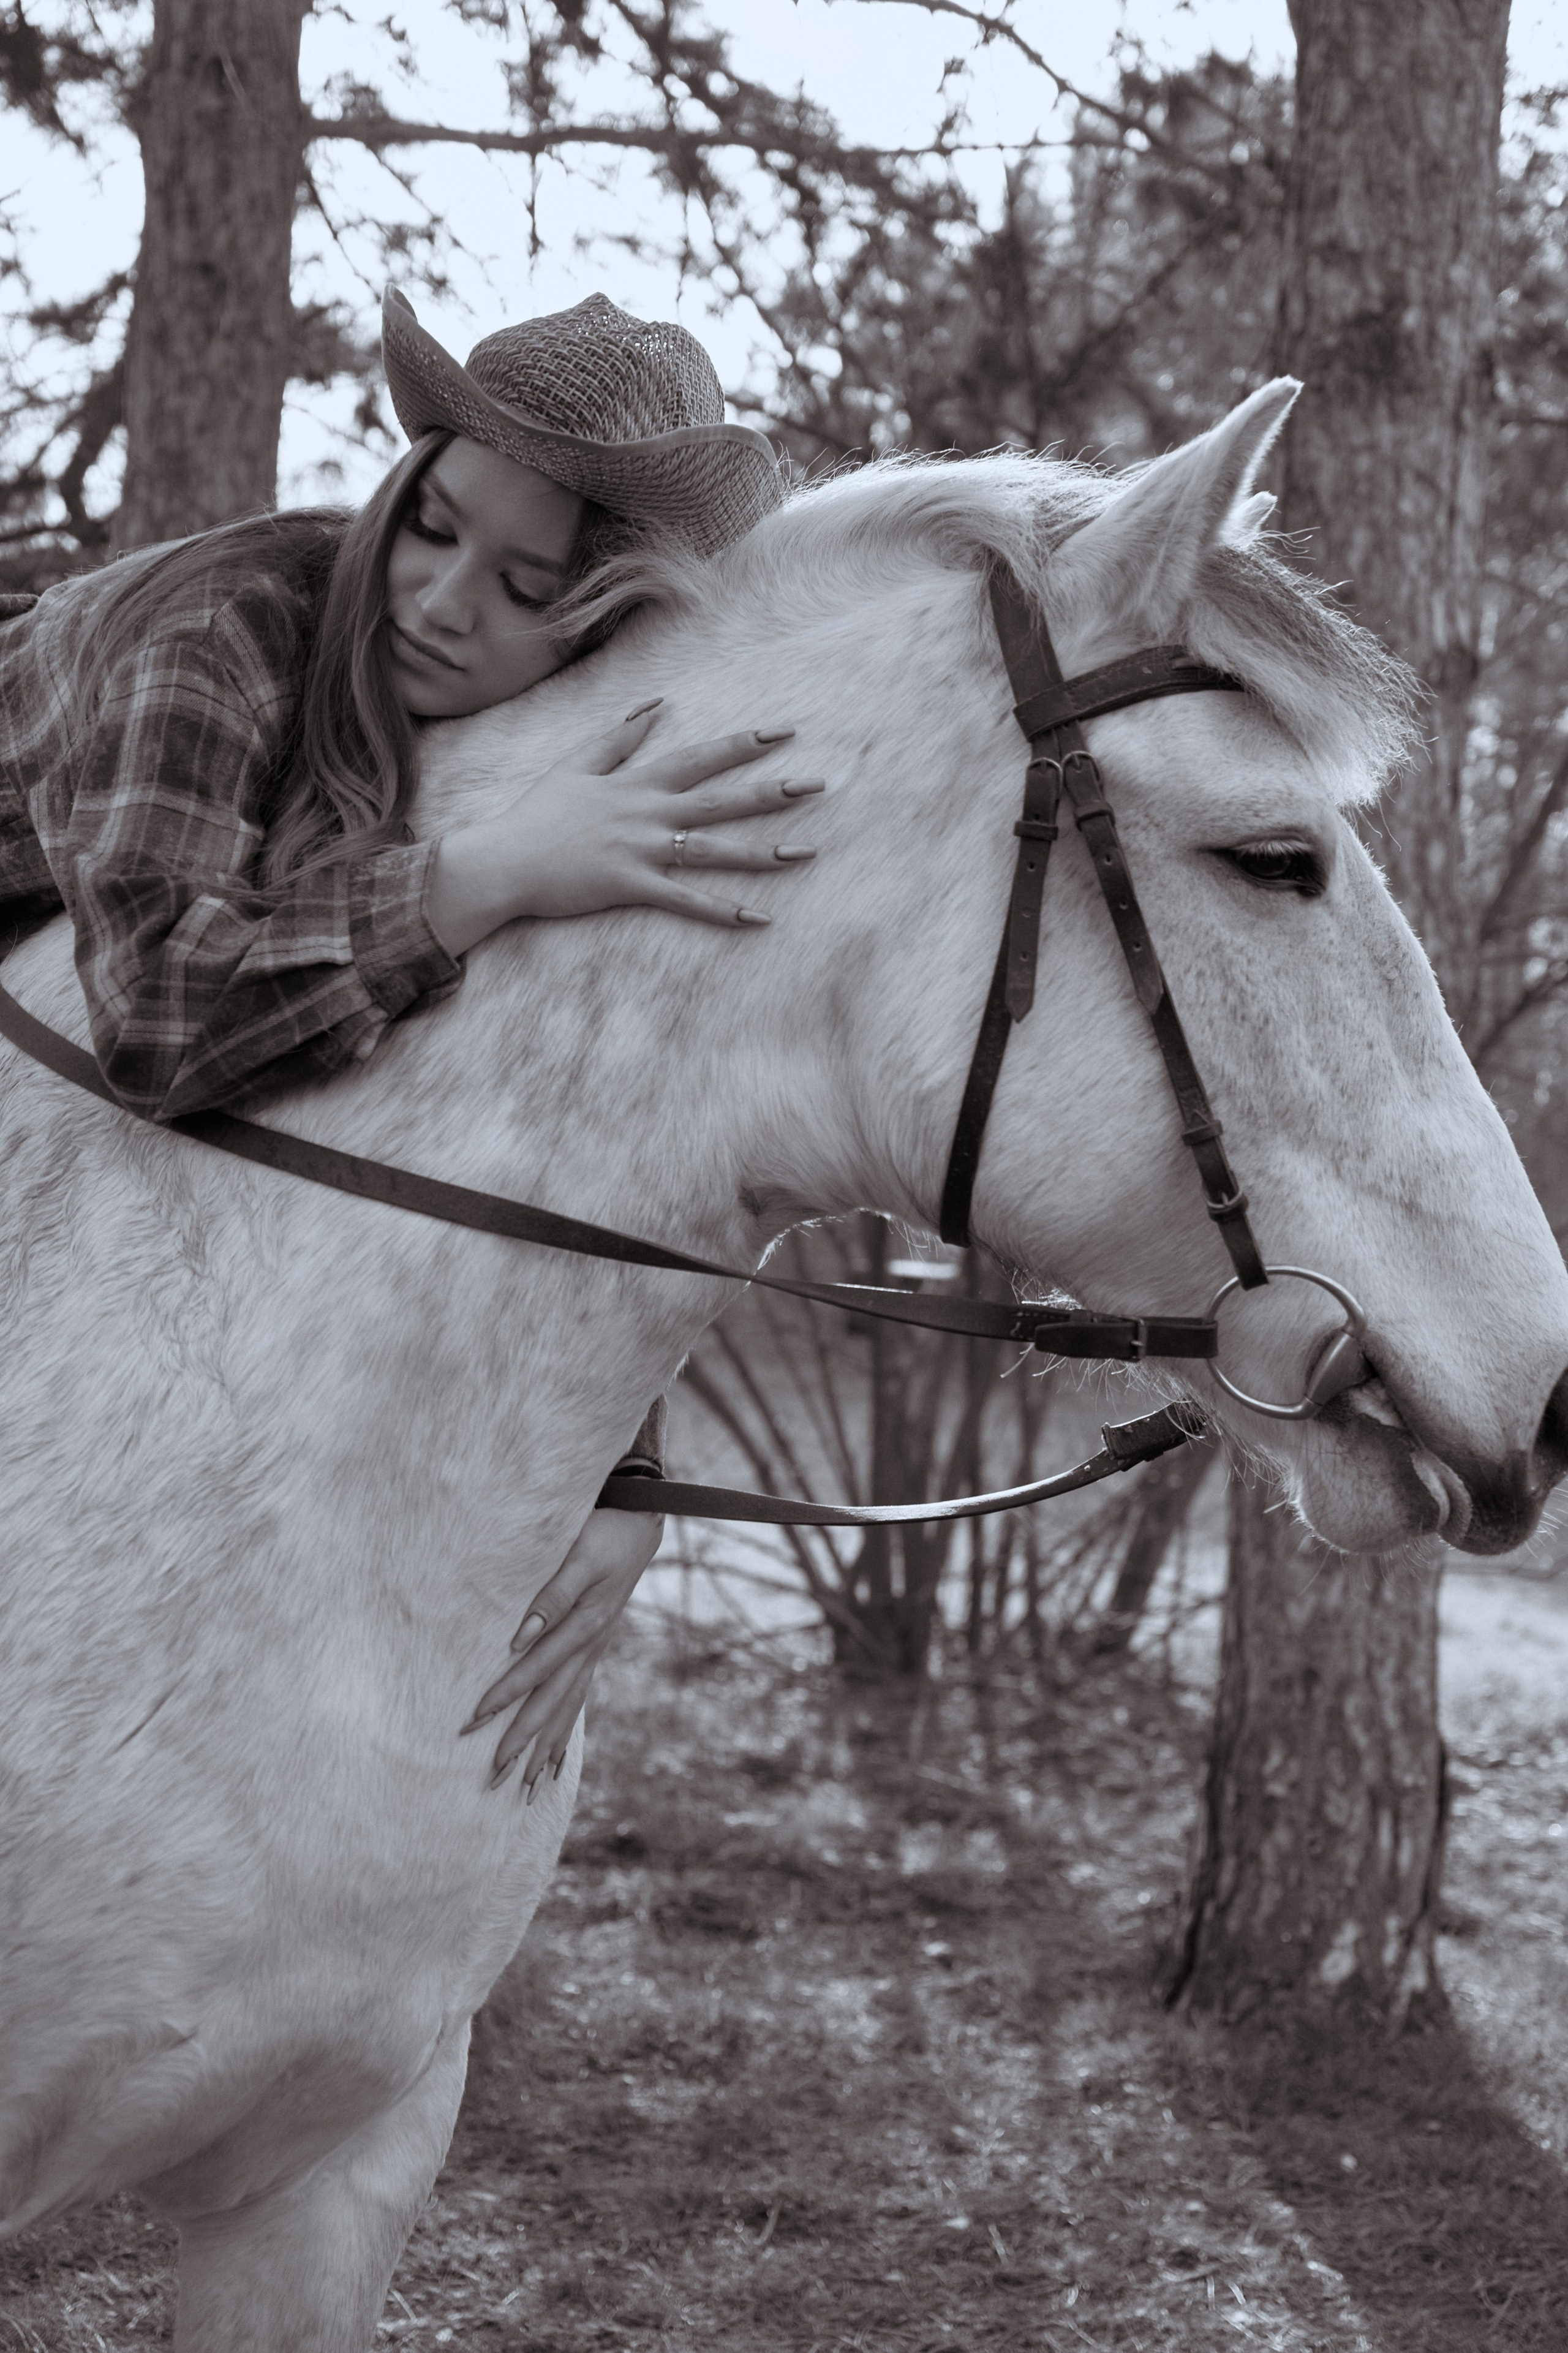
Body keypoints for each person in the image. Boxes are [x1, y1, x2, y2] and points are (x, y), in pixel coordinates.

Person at [0, 285, 823, 1797]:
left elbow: (515, 1129)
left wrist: (623, 1474)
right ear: (400, 483)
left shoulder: (520, 729)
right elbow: (164, 1020)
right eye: (434, 526)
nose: (442, 603)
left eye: (524, 587)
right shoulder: (227, 625)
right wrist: (492, 872)